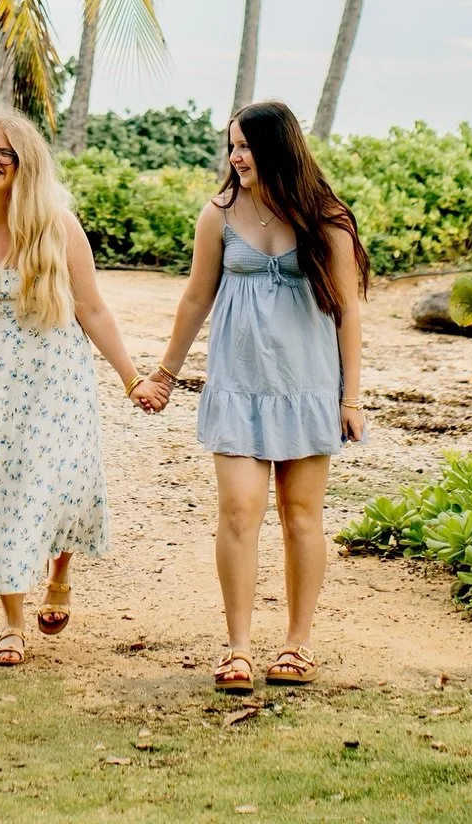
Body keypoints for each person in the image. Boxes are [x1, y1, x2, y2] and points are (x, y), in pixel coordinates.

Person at [137, 100, 368, 692]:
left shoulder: (327, 218)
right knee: (239, 512)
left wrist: (352, 397)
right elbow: (195, 298)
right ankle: (237, 647)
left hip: (306, 387)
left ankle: (298, 643)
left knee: (300, 516)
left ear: (278, 149)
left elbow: (347, 313)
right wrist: (165, 373)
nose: (237, 156)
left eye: (247, 145)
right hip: (238, 386)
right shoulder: (218, 214)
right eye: (232, 145)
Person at [0, 112, 161, 668]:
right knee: (1, 490)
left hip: (57, 375)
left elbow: (93, 309)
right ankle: (12, 623)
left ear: (26, 164)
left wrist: (131, 378)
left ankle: (59, 567)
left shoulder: (57, 225)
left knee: (60, 483)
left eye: (6, 153)